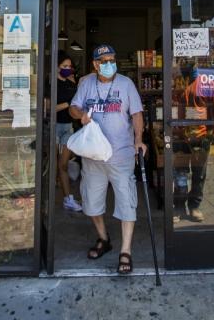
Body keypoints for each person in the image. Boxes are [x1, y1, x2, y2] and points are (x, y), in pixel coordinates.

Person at [69, 44, 146, 275]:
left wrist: (139, 140)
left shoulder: (126, 84)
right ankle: (104, 238)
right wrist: (81, 115)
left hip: (121, 154)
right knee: (91, 203)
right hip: (93, 157)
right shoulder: (86, 84)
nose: (108, 64)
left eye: (112, 59)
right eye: (103, 61)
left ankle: (126, 250)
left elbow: (137, 114)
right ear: (95, 64)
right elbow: (73, 107)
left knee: (126, 201)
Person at [171, 65, 214, 223]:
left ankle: (192, 207)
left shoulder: (204, 84)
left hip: (199, 138)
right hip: (180, 136)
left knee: (195, 174)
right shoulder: (177, 83)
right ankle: (181, 207)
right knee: (185, 174)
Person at [54, 52, 83, 212]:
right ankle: (44, 200)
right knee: (50, 165)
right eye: (64, 66)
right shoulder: (50, 83)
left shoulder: (71, 83)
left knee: (63, 164)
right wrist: (68, 103)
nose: (67, 69)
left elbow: (78, 103)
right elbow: (48, 108)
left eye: (69, 66)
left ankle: (68, 199)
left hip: (68, 126)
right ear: (57, 66)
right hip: (52, 125)